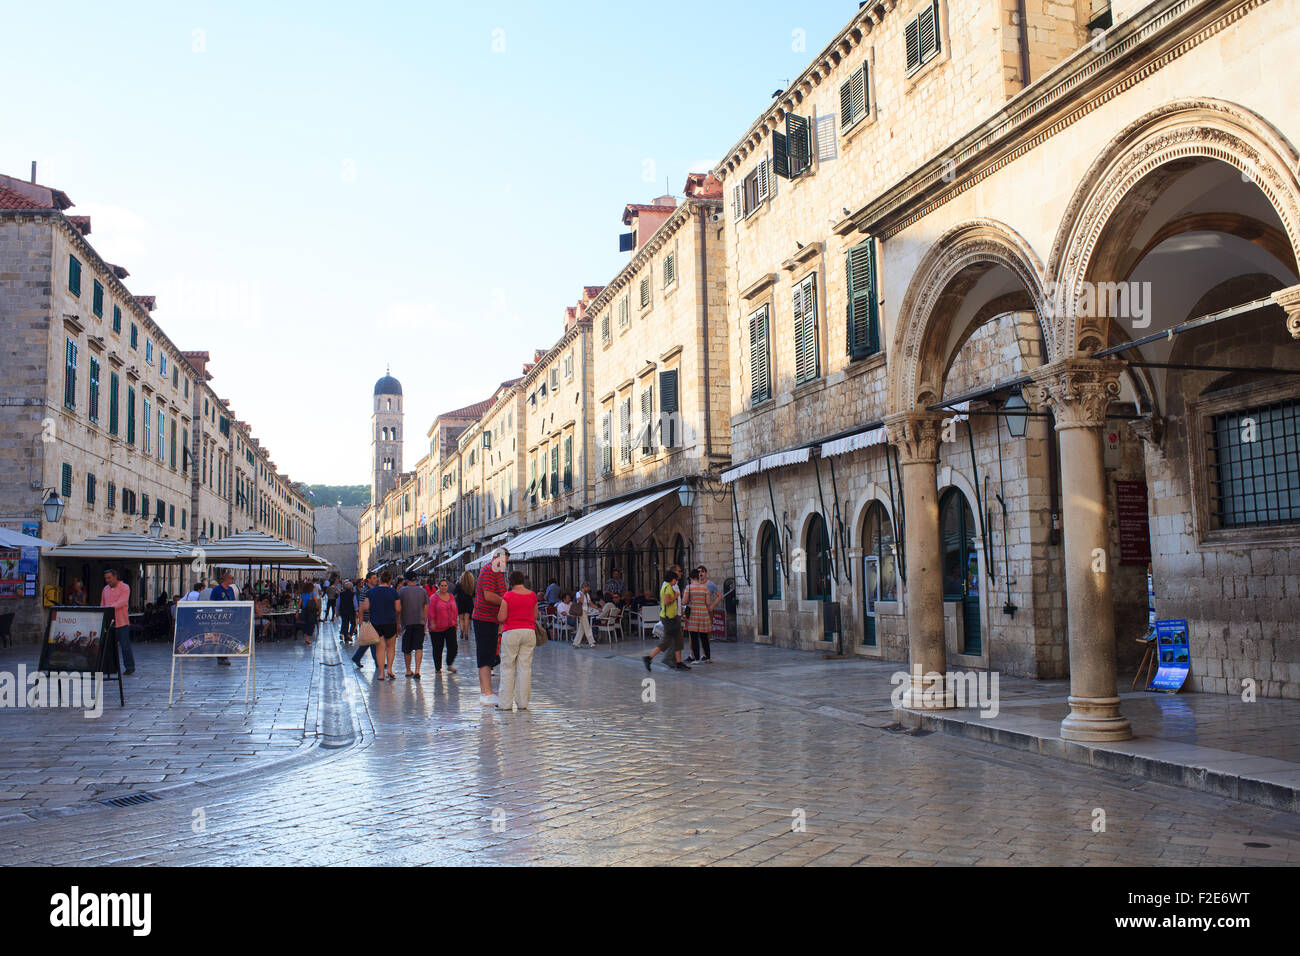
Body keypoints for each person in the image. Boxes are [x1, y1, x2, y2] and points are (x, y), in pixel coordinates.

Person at [496, 571, 538, 712]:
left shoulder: (507, 596)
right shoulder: (532, 595)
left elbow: (501, 617)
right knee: (525, 668)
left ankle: (505, 703)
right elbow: (535, 615)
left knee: (508, 667)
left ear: (511, 581)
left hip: (512, 632)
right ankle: (523, 702)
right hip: (529, 632)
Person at [472, 550, 508, 705]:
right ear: (495, 558)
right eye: (503, 561)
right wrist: (506, 603)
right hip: (484, 619)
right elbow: (488, 595)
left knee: (489, 656)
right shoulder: (489, 571)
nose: (504, 564)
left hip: (491, 619)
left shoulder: (497, 571)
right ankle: (486, 692)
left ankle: (487, 692)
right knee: (485, 656)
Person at [642, 570, 687, 672]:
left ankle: (679, 662)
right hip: (669, 618)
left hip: (670, 617)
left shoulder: (665, 586)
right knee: (667, 641)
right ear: (672, 579)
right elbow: (667, 602)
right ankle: (649, 658)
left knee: (677, 639)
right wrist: (675, 597)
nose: (676, 582)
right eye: (675, 580)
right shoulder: (667, 588)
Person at [362, 571, 400, 680]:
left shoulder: (371, 591)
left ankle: (381, 673)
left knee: (380, 648)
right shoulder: (393, 592)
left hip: (376, 622)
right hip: (390, 622)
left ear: (380, 580)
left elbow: (365, 607)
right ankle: (389, 670)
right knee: (391, 647)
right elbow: (398, 609)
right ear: (390, 580)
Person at [101, 569, 135, 676]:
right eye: (106, 578)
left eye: (109, 578)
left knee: (125, 646)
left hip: (122, 621)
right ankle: (111, 667)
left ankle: (130, 667)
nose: (107, 580)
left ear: (115, 577)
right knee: (109, 646)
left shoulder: (125, 587)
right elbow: (102, 603)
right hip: (109, 622)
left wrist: (109, 608)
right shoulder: (105, 589)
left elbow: (122, 601)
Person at [683, 566, 719, 663]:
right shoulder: (704, 588)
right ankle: (708, 657)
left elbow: (684, 601)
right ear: (698, 577)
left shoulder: (688, 587)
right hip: (704, 613)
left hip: (694, 613)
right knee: (704, 637)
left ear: (691, 578)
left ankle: (697, 659)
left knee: (694, 636)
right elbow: (708, 602)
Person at [397, 573, 429, 679]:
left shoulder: (401, 591)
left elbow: (399, 609)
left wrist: (399, 623)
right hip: (419, 622)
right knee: (419, 647)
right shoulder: (423, 591)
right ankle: (417, 670)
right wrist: (425, 621)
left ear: (406, 580)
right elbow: (425, 608)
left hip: (406, 623)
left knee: (407, 648)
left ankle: (408, 670)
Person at [426, 577, 459, 676]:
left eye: (445, 585)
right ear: (438, 587)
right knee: (437, 648)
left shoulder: (451, 597)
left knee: (453, 647)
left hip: (450, 625)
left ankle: (449, 663)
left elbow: (455, 610)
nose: (444, 587)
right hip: (437, 627)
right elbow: (431, 611)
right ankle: (438, 668)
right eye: (442, 586)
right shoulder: (434, 598)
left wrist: (455, 623)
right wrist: (432, 623)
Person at [209, 571, 238, 665]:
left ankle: (226, 656)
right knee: (219, 636)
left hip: (229, 617)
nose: (232, 580)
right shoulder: (216, 589)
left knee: (227, 636)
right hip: (219, 617)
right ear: (227, 579)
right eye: (231, 578)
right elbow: (211, 602)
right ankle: (220, 656)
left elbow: (233, 601)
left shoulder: (230, 589)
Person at [571, 583, 596, 648]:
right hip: (581, 611)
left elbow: (590, 603)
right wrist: (582, 592)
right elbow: (581, 601)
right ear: (584, 587)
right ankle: (591, 642)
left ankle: (576, 643)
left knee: (581, 628)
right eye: (587, 587)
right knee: (587, 627)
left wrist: (597, 608)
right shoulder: (578, 593)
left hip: (585, 611)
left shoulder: (587, 594)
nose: (588, 589)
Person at [454, 570, 476, 643]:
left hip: (460, 602)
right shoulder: (472, 585)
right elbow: (474, 595)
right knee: (467, 618)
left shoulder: (459, 584)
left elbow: (455, 592)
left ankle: (462, 630)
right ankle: (466, 633)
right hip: (469, 602)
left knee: (461, 618)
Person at [297, 580, 320, 647]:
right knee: (311, 624)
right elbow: (316, 603)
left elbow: (299, 604)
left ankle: (306, 637)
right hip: (311, 611)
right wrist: (318, 609)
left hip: (304, 611)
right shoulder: (313, 594)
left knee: (306, 623)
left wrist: (297, 612)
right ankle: (308, 638)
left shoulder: (302, 595)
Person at [338, 579, 357, 644]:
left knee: (345, 623)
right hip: (351, 611)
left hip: (343, 610)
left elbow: (338, 603)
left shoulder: (341, 594)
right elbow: (355, 603)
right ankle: (350, 634)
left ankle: (346, 637)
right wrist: (356, 610)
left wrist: (337, 610)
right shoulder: (353, 594)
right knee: (353, 623)